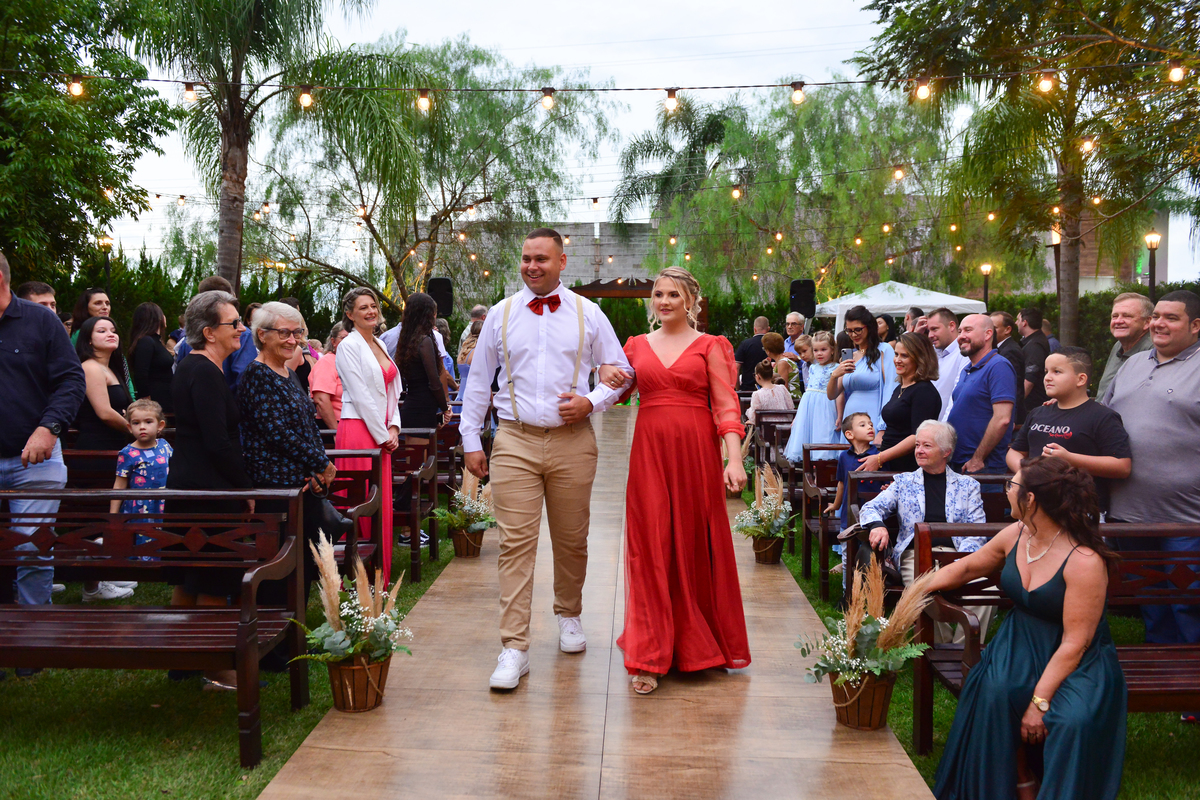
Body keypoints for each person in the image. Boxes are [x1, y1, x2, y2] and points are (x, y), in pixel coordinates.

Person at [459, 228, 633, 691]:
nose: (532, 266)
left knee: (572, 538)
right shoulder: (501, 314)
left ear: (561, 262)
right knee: (515, 544)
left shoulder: (588, 313)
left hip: (573, 441)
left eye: (541, 258)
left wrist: (591, 401)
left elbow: (621, 372)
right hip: (514, 439)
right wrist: (471, 438)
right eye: (526, 258)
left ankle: (569, 614)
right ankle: (514, 646)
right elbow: (478, 380)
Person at [929, 457, 1125, 800]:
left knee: (1072, 720)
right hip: (1020, 640)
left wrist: (1039, 703)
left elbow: (1076, 643)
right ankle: (1017, 777)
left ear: (1030, 499)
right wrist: (916, 589)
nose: (1007, 491)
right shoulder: (1017, 534)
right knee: (995, 693)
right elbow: (966, 568)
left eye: (1011, 486)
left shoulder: (1084, 560)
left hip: (1076, 657)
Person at [614, 266, 749, 694]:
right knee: (650, 544)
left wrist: (733, 460)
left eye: (673, 294)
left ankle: (697, 642)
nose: (665, 301)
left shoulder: (710, 346)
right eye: (658, 294)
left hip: (696, 455)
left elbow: (726, 406)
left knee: (692, 543)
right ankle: (649, 654)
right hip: (650, 454)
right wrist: (604, 375)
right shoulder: (635, 346)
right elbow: (615, 392)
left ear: (690, 300)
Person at [1102, 290, 1200, 701]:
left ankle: (1192, 688)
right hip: (1128, 512)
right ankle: (1161, 678)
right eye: (1156, 316)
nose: (1159, 323)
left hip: (1187, 517)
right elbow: (1102, 416)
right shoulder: (1132, 364)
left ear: (1195, 326)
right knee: (1150, 600)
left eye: (1171, 318)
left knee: (1187, 601)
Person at [167, 290, 256, 689]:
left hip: (193, 482)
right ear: (208, 332)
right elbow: (217, 442)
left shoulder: (200, 366)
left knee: (192, 576)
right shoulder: (202, 370)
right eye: (233, 323)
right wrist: (246, 486)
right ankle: (213, 665)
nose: (241, 329)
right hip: (207, 488)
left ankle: (182, 659)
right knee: (212, 576)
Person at [0, 251, 85, 614]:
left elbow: (71, 380)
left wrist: (49, 428)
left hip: (36, 457)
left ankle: (34, 631)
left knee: (32, 549)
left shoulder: (40, 321)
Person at [238, 301, 339, 603]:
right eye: (284, 333)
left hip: (301, 483)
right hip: (276, 485)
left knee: (303, 561)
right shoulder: (257, 375)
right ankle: (274, 628)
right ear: (262, 334)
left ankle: (296, 622)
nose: (293, 340)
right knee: (280, 565)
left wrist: (318, 467)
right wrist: (320, 462)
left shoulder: (287, 372)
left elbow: (307, 423)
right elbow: (277, 432)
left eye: (297, 333)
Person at [859, 419, 990, 641]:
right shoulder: (903, 482)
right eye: (917, 445)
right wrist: (878, 525)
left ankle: (964, 651)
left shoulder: (968, 486)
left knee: (985, 590)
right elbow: (871, 507)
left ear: (946, 452)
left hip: (959, 556)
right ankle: (940, 649)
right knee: (925, 590)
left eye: (926, 446)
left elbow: (977, 530)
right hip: (916, 556)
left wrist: (959, 564)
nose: (919, 450)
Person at [1007, 348, 1131, 514]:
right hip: (1035, 508)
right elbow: (1014, 452)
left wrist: (1069, 459)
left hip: (1080, 511)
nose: (1047, 377)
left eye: (1057, 372)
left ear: (1081, 379)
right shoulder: (1038, 413)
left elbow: (1122, 466)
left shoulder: (1103, 416)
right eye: (1046, 371)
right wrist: (1028, 473)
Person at [335, 287, 403, 585]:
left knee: (380, 499)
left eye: (373, 305)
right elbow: (360, 394)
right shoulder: (348, 346)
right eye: (363, 307)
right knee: (362, 500)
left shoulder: (379, 342)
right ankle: (357, 577)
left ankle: (380, 572)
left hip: (382, 427)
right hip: (358, 429)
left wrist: (394, 427)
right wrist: (382, 433)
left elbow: (392, 390)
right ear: (350, 314)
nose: (371, 311)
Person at [858, 331, 941, 473]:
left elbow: (918, 436)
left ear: (920, 358)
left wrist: (880, 458)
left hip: (907, 468)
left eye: (904, 356)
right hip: (888, 462)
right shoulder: (900, 388)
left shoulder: (924, 391)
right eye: (896, 354)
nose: (897, 360)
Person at [947, 314, 1015, 474]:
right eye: (960, 331)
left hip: (982, 469)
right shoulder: (966, 370)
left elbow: (1002, 419)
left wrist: (978, 458)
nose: (961, 336)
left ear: (988, 334)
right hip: (958, 464)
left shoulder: (999, 366)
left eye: (968, 330)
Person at [110, 399, 172, 565]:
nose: (142, 427)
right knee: (142, 539)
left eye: (148, 422)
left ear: (160, 425)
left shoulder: (165, 446)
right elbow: (119, 484)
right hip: (139, 506)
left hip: (163, 503)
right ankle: (141, 567)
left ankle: (163, 564)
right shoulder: (127, 453)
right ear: (130, 427)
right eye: (136, 423)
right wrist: (113, 515)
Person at [827, 305, 896, 444]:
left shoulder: (884, 350)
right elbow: (831, 395)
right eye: (849, 330)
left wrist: (883, 428)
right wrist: (835, 375)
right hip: (850, 419)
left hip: (872, 417)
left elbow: (890, 387)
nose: (853, 335)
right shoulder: (851, 356)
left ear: (869, 327)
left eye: (857, 329)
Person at [174, 276, 258, 390]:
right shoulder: (242, 335)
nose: (241, 328)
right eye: (235, 322)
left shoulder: (188, 339)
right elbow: (246, 382)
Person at [73, 316, 133, 453]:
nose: (111, 334)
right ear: (88, 340)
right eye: (102, 331)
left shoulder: (111, 368)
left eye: (113, 331)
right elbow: (104, 413)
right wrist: (135, 430)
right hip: (98, 448)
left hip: (116, 443)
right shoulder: (90, 367)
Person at [393, 293, 452, 432]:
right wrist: (445, 408)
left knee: (413, 446)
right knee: (421, 446)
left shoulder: (407, 340)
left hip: (412, 404)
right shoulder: (424, 341)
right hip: (423, 408)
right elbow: (434, 382)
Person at [782, 331, 839, 463]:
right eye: (816, 350)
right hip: (808, 406)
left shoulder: (836, 368)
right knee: (806, 432)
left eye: (823, 350)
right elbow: (808, 390)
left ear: (832, 350)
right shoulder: (812, 367)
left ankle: (821, 463)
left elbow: (839, 393)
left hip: (825, 405)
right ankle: (808, 466)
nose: (819, 353)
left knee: (823, 432)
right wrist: (798, 416)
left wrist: (839, 415)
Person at [825, 413, 880, 534]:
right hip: (848, 515)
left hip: (874, 516)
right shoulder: (844, 456)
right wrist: (836, 505)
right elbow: (841, 483)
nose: (870, 427)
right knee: (847, 542)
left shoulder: (878, 457)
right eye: (863, 425)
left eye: (871, 424)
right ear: (849, 434)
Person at [1096, 292, 1154, 401]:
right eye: (1115, 316)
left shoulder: (1153, 351)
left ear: (1147, 322)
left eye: (1127, 316)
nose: (1118, 321)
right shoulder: (1118, 345)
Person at [127, 302, 175, 413]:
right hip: (156, 401)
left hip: (165, 398)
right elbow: (141, 373)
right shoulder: (146, 341)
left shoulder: (156, 341)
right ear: (157, 318)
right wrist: (146, 401)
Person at [926, 308, 969, 422]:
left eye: (934, 329)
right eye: (928, 330)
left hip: (947, 427)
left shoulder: (964, 354)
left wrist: (943, 426)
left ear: (951, 326)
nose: (930, 335)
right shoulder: (931, 353)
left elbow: (957, 394)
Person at [990, 311, 1026, 426]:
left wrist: (1012, 418)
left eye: (994, 328)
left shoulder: (1010, 351)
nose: (990, 331)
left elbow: (1013, 386)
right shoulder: (1002, 348)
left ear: (1007, 329)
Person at [310, 326, 348, 430]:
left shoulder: (354, 362)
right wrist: (335, 431)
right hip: (335, 425)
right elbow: (321, 399)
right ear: (333, 341)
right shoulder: (327, 362)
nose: (349, 342)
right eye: (344, 338)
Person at [1017, 307, 1052, 415]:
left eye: (1018, 320)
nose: (1016, 323)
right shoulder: (1033, 341)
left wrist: (1015, 404)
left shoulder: (1035, 345)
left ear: (1024, 322)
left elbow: (1030, 378)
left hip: (1032, 406)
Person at [745, 358, 793, 426]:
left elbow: (754, 417)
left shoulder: (757, 394)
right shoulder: (782, 388)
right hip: (785, 425)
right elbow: (790, 407)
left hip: (766, 427)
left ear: (758, 376)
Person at [734, 316, 770, 392]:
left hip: (748, 389)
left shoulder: (745, 344)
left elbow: (736, 367)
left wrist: (738, 388)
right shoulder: (773, 344)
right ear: (768, 329)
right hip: (769, 389)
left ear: (755, 329)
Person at [455, 319, 484, 402]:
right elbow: (482, 378)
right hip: (474, 395)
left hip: (461, 394)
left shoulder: (463, 351)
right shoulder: (477, 353)